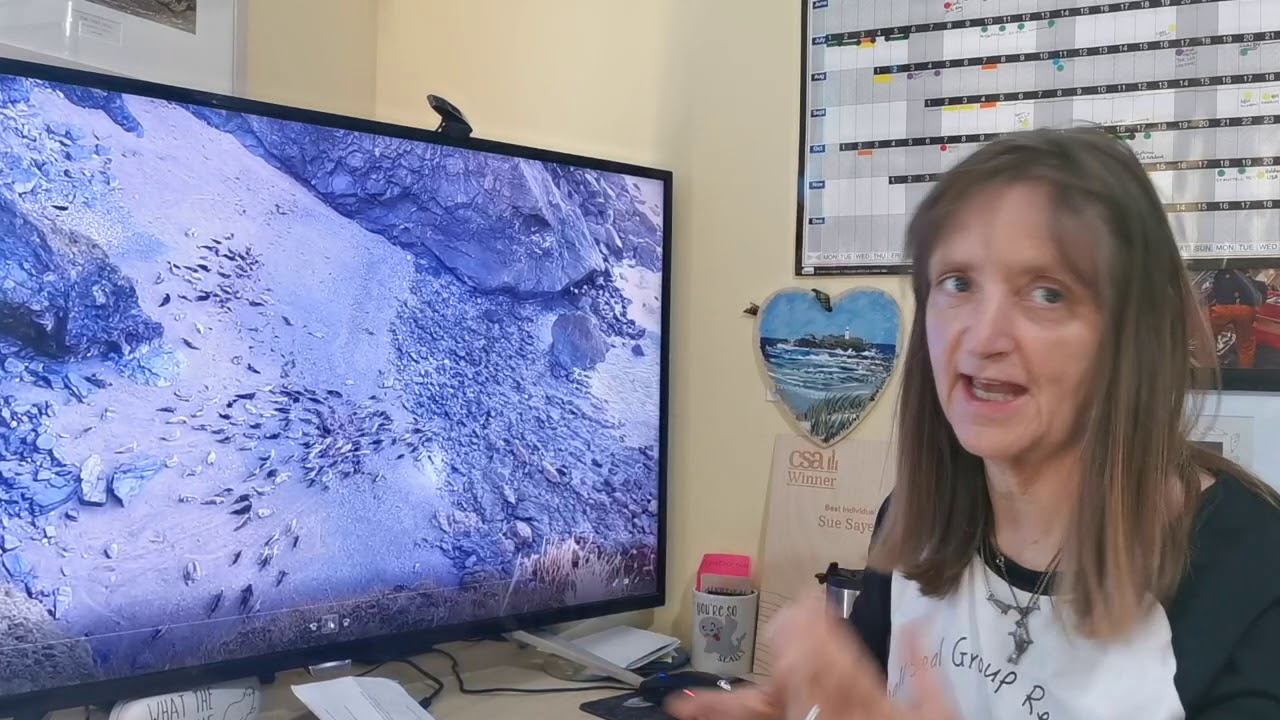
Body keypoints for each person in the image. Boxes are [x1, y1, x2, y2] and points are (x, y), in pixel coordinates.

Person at [670, 128, 1280, 720]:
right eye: (958, 283)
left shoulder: (1253, 570)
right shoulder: (913, 525)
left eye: (1046, 293)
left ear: (1134, 334)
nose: (984, 337)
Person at [1206, 268, 1263, 368]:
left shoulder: (1218, 271)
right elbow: (1258, 294)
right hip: (1246, 309)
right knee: (1246, 345)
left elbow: (1208, 289)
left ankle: (1209, 368)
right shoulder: (1245, 275)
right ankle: (1245, 373)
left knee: (1207, 337)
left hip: (1221, 308)